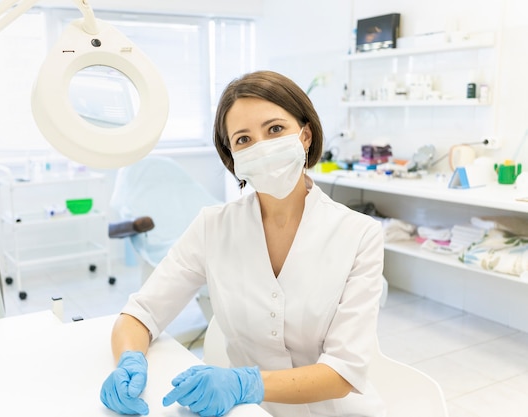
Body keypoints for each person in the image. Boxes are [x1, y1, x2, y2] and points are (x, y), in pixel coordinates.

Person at [99, 70, 386, 417]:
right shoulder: (213, 227)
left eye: (275, 129)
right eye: (244, 139)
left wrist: (243, 383)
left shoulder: (359, 235)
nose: (261, 147)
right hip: (247, 412)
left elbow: (342, 371)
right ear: (233, 157)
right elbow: (141, 314)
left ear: (305, 135)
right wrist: (128, 361)